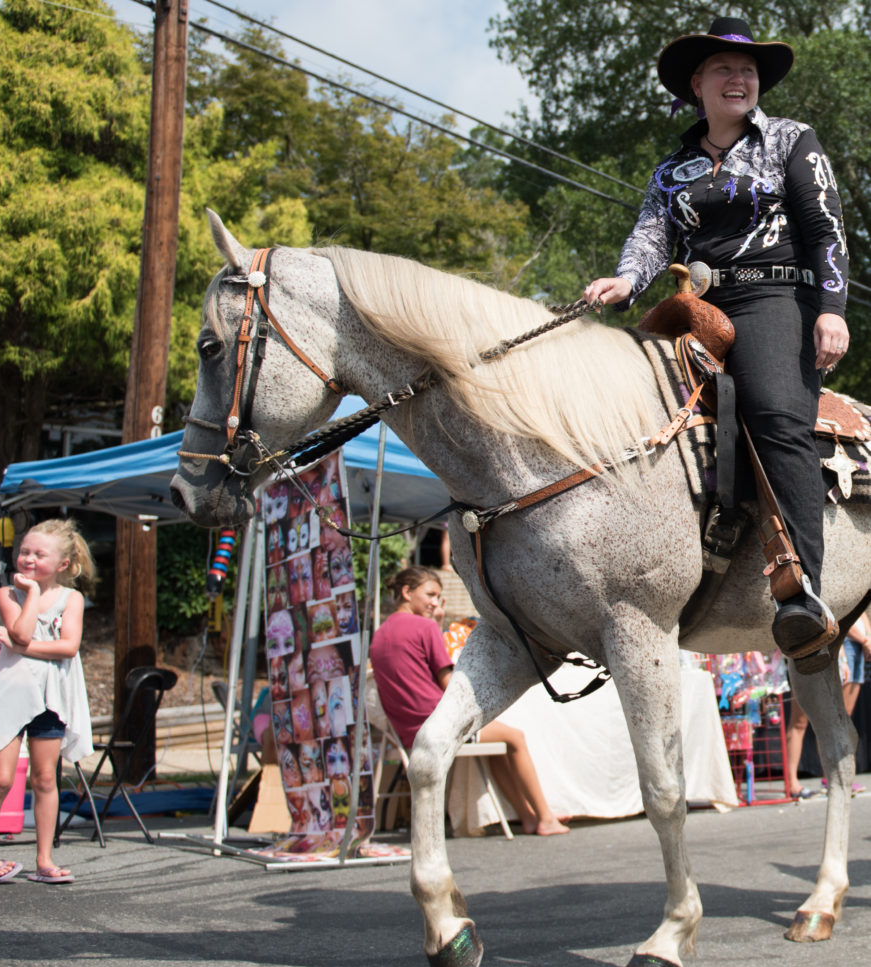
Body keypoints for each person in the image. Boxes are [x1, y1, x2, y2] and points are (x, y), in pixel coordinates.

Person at [584, 16, 849, 674]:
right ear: (696, 84)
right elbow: (650, 237)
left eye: (748, 70)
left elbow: (824, 227)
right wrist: (623, 280)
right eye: (724, 69)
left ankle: (801, 593)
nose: (739, 78)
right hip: (695, 305)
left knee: (767, 407)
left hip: (773, 299)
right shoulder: (671, 168)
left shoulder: (792, 140)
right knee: (622, 398)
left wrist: (832, 308)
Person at [369, 566, 569, 835]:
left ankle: (527, 817)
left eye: (438, 598)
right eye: (430, 594)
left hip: (407, 730)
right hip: (438, 725)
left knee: (501, 742)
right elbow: (449, 685)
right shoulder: (424, 627)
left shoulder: (379, 634)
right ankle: (545, 817)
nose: (434, 603)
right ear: (406, 592)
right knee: (515, 738)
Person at [0, 519, 95, 884]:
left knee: (44, 779)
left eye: (39, 554)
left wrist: (18, 646)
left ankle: (44, 859)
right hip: (12, 694)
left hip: (51, 699)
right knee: (2, 780)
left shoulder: (73, 599)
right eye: (24, 551)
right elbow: (22, 629)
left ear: (63, 565)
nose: (28, 559)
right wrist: (33, 596)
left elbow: (67, 647)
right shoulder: (8, 594)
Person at [785, 614, 870, 799]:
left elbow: (861, 612)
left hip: (854, 650)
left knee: (842, 720)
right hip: (828, 647)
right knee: (799, 722)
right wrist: (861, 642)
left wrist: (867, 637)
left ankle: (833, 777)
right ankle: (791, 782)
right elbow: (839, 616)